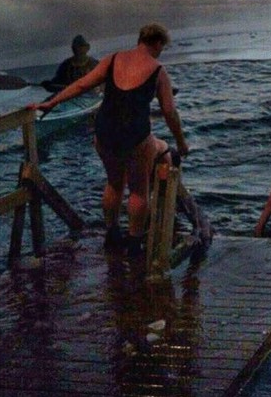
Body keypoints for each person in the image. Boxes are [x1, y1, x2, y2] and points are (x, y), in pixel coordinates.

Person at [29, 23, 189, 256]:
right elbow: (169, 112)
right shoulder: (158, 71)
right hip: (135, 134)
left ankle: (112, 234)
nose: (160, 52)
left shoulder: (112, 60)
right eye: (161, 48)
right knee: (138, 190)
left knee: (114, 184)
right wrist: (181, 143)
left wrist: (51, 103)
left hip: (104, 131)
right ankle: (134, 243)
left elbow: (82, 85)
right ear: (157, 43)